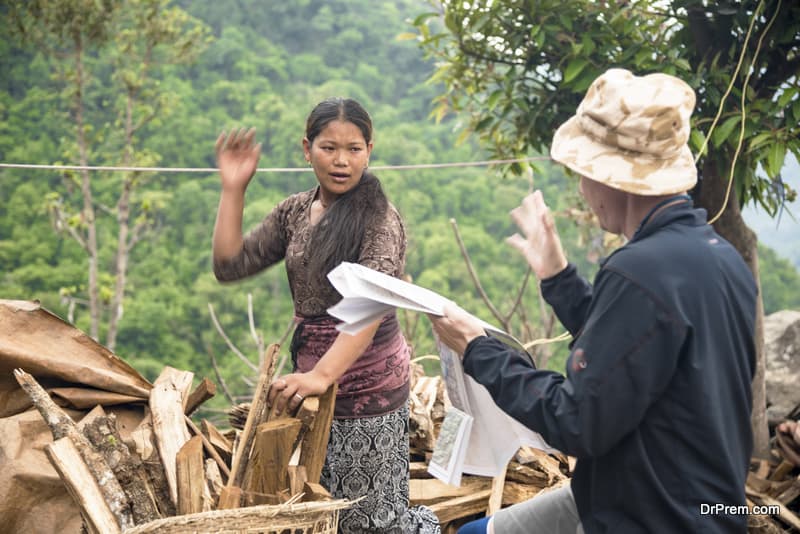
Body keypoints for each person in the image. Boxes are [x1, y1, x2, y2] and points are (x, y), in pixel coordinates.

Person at [429, 69, 757, 533]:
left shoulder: (639, 270)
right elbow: (630, 356)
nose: (582, 189)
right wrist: (560, 279)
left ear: (614, 179)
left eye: (584, 173)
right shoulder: (718, 258)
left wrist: (478, 349)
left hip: (648, 515)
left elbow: (577, 421)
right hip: (695, 504)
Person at [212, 97, 440, 534]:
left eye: (354, 149)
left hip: (366, 385)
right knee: (323, 510)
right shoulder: (296, 211)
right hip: (312, 386)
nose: (341, 161)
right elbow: (229, 264)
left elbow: (372, 304)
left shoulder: (379, 219)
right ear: (306, 149)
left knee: (372, 521)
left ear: (369, 150)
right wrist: (234, 188)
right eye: (329, 148)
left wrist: (322, 376)